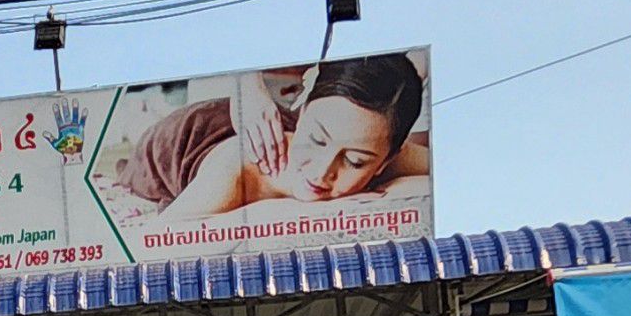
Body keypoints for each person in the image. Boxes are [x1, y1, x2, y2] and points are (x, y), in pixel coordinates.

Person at [113, 53, 428, 220]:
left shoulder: (381, 146)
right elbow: (155, 241)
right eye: (317, 140)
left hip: (281, 119)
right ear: (302, 112)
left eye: (355, 162)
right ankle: (142, 111)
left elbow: (452, 172)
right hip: (180, 137)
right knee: (140, 128)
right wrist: (295, 211)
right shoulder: (236, 171)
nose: (322, 172)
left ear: (387, 160)